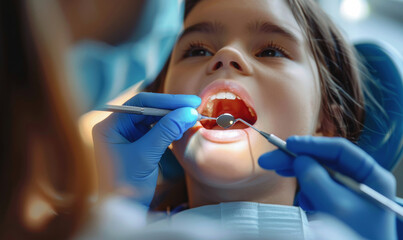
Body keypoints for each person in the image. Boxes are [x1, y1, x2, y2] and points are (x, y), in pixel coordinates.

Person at [93, 0, 397, 239]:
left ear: (327, 120)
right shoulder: (108, 228)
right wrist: (111, 211)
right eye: (197, 49)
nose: (225, 54)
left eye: (269, 51)